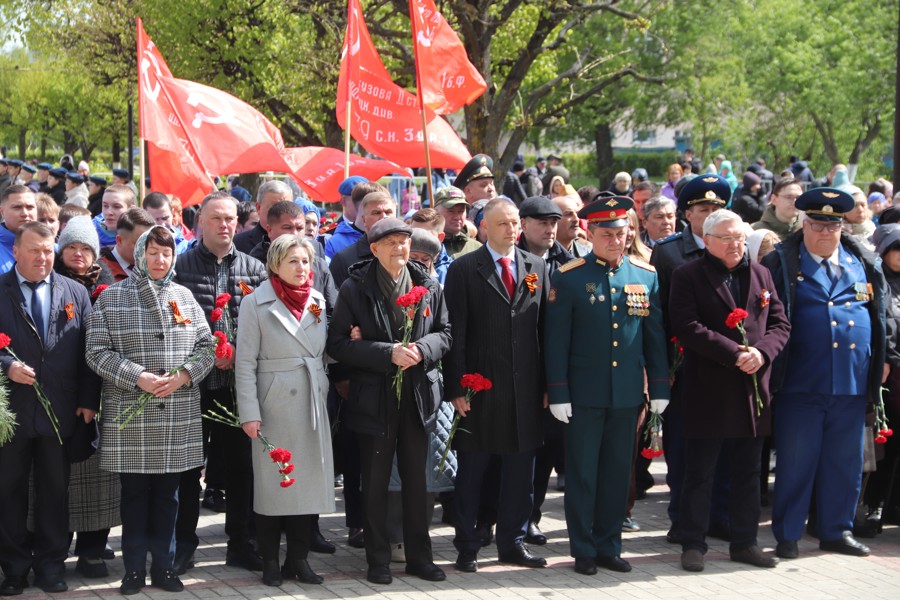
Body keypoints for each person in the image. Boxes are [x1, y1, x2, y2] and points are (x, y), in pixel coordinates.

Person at [762, 187, 894, 560]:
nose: (825, 233)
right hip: (801, 381)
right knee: (797, 462)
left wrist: (883, 356)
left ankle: (837, 530)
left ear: (842, 227)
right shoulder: (784, 261)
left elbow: (880, 313)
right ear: (804, 224)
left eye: (832, 226)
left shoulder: (861, 260)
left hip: (851, 381)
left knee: (845, 463)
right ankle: (787, 534)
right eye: (818, 225)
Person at [86, 225, 216, 594]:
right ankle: (132, 572)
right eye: (153, 252)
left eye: (167, 253)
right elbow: (96, 352)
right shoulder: (112, 299)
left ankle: (165, 569)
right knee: (134, 498)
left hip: (176, 412)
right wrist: (137, 376)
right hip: (132, 417)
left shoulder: (185, 297)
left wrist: (185, 375)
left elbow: (206, 347)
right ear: (140, 253)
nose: (160, 260)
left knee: (169, 498)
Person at [544, 195, 668, 575]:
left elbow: (654, 337)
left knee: (617, 473)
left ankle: (609, 544)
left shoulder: (644, 275)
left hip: (627, 392)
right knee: (583, 474)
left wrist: (660, 386)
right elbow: (556, 341)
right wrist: (559, 391)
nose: (617, 240)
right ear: (591, 233)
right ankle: (583, 547)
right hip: (583, 394)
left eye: (622, 232)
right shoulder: (569, 276)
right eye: (608, 233)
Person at [327, 218, 451, 585]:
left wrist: (420, 349)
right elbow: (337, 344)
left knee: (418, 481)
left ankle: (419, 557)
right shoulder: (354, 288)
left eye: (404, 241)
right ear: (374, 248)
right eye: (392, 242)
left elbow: (446, 333)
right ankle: (378, 558)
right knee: (376, 482)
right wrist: (386, 352)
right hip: (374, 399)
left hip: (417, 396)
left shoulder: (427, 284)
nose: (400, 249)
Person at [668, 209, 790, 572]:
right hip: (709, 389)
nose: (736, 244)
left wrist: (762, 352)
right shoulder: (687, 274)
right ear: (707, 241)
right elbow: (686, 326)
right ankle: (693, 542)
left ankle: (745, 541)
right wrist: (735, 353)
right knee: (700, 472)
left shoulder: (761, 273)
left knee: (748, 472)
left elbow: (781, 323)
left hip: (753, 391)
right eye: (727, 238)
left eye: (740, 237)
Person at [444, 198, 550, 573]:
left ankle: (512, 541)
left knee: (520, 474)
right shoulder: (464, 269)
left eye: (515, 223)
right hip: (480, 391)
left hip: (524, 390)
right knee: (474, 473)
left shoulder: (535, 266)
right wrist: (456, 386)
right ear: (485, 227)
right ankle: (468, 544)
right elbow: (455, 331)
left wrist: (549, 383)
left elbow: (544, 330)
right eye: (502, 224)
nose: (511, 230)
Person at [0, 221, 100, 595]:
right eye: (34, 250)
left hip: (60, 412)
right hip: (10, 415)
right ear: (16, 252)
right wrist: (6, 366)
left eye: (47, 250)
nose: (43, 257)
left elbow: (90, 352)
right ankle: (13, 567)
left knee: (55, 492)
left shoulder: (74, 291)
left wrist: (89, 401)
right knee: (8, 491)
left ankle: (51, 565)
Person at [172, 192, 268, 575]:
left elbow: (263, 323)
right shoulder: (180, 267)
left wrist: (238, 353)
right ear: (201, 224)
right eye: (216, 218)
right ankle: (183, 545)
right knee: (188, 468)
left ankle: (240, 543)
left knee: (242, 467)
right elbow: (173, 322)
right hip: (193, 385)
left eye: (230, 218)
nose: (225, 225)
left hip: (236, 384)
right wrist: (208, 353)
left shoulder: (255, 269)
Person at [235, 235, 336, 587]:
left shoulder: (318, 301)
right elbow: (245, 362)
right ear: (275, 264)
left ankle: (299, 559)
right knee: (273, 485)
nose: (301, 268)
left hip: (310, 401)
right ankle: (270, 563)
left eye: (306, 261)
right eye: (293, 261)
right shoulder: (255, 303)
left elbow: (323, 353)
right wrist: (249, 411)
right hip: (273, 405)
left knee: (305, 486)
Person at [650, 175, 730, 544]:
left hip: (724, 366)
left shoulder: (733, 249)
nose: (710, 214)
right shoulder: (668, 252)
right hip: (683, 366)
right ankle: (682, 518)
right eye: (703, 209)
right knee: (682, 447)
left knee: (724, 445)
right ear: (687, 214)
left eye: (717, 208)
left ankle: (718, 516)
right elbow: (659, 314)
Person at [50, 216, 118, 579]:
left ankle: (92, 550)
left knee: (97, 477)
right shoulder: (49, 281)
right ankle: (55, 548)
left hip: (100, 394)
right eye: (71, 247)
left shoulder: (106, 282)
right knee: (57, 480)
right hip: (58, 392)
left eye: (85, 248)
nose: (78, 254)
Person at [233, 180, 293, 254]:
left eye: (286, 207)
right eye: (274, 207)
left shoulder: (301, 244)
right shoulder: (238, 244)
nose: (281, 213)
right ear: (258, 208)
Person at [517, 196, 573, 272]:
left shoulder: (568, 264)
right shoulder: (512, 264)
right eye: (543, 223)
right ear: (524, 225)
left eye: (553, 223)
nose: (550, 231)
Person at [323, 176, 368, 258]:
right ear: (343, 201)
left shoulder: (374, 229)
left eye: (367, 200)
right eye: (357, 199)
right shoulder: (328, 234)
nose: (364, 205)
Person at [435, 186, 481, 258]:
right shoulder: (428, 247)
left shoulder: (477, 249)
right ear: (436, 211)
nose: (457, 217)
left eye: (461, 211)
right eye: (451, 211)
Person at [0, 185, 38, 274]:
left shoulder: (53, 249)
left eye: (30, 207)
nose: (25, 213)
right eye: (17, 207)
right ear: (2, 211)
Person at [93, 184, 138, 248]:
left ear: (131, 209)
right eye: (105, 206)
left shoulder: (140, 235)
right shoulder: (91, 231)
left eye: (116, 207)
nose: (109, 212)